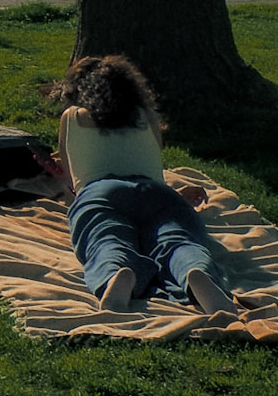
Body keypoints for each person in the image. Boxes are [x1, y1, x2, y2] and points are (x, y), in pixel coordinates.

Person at [50, 54, 235, 315]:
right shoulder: (145, 116)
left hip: (101, 193)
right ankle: (195, 272)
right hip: (157, 193)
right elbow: (148, 169)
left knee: (107, 239)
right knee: (177, 241)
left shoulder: (71, 118)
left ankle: (118, 271)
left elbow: (74, 185)